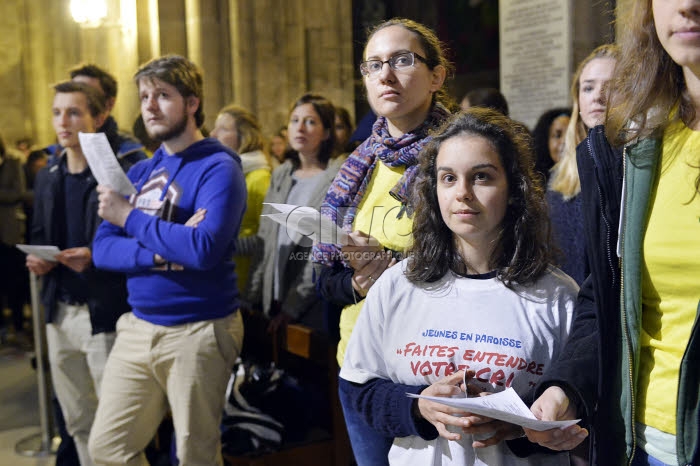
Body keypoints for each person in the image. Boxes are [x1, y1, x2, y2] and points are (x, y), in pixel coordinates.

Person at [339, 108, 578, 465]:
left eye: (481, 177)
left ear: (514, 188)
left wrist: (520, 429)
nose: (462, 193)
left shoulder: (558, 296)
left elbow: (580, 404)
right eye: (448, 178)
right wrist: (420, 407)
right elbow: (360, 391)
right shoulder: (397, 284)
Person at [525, 2, 700, 465]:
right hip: (638, 443)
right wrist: (568, 386)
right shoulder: (634, 146)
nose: (686, 4)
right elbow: (607, 297)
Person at [87, 55, 247, 466]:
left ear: (192, 103)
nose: (150, 106)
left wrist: (128, 218)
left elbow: (203, 250)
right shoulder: (140, 172)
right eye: (144, 97)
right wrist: (162, 250)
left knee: (196, 455)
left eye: (163, 95)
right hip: (139, 325)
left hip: (199, 328)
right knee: (107, 448)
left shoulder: (219, 166)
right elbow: (103, 249)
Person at [312, 17, 454, 465]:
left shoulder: (461, 154)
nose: (385, 75)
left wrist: (391, 269)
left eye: (402, 61)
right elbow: (323, 279)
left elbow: (480, 261)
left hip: (431, 365)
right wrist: (359, 282)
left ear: (436, 75)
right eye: (373, 65)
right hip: (361, 364)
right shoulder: (359, 164)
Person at [25, 81, 131, 466]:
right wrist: (38, 259)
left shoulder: (113, 177)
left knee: (112, 423)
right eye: (57, 112)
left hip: (99, 310)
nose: (63, 121)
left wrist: (95, 256)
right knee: (77, 419)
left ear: (98, 118)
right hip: (59, 311)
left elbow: (131, 240)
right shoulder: (47, 175)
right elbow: (38, 235)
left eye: (73, 112)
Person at [246, 93, 341, 333]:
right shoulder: (281, 174)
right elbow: (266, 239)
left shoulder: (336, 178)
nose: (300, 128)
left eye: (310, 121)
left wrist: (293, 305)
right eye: (294, 120)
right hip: (274, 292)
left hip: (311, 301)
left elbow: (322, 250)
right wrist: (253, 295)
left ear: (326, 132)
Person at [546, 45, 618, 287]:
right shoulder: (560, 174)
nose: (597, 96)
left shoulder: (639, 166)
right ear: (578, 99)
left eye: (611, 87)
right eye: (588, 87)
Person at [211, 104, 272, 293]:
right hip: (224, 277)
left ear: (244, 136)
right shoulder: (228, 173)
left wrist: (223, 246)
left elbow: (270, 237)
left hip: (246, 283)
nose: (213, 134)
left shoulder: (259, 178)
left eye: (223, 129)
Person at [63, 63, 148, 170]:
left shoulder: (129, 156)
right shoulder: (55, 157)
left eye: (88, 95)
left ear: (109, 104)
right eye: (72, 93)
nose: (76, 102)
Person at [0, 133, 28, 345]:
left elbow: (18, 192)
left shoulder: (13, 162)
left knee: (14, 282)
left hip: (9, 232)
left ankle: (18, 327)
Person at [532, 108, 571, 185]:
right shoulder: (535, 184)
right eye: (557, 135)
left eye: (570, 135)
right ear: (545, 141)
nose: (564, 141)